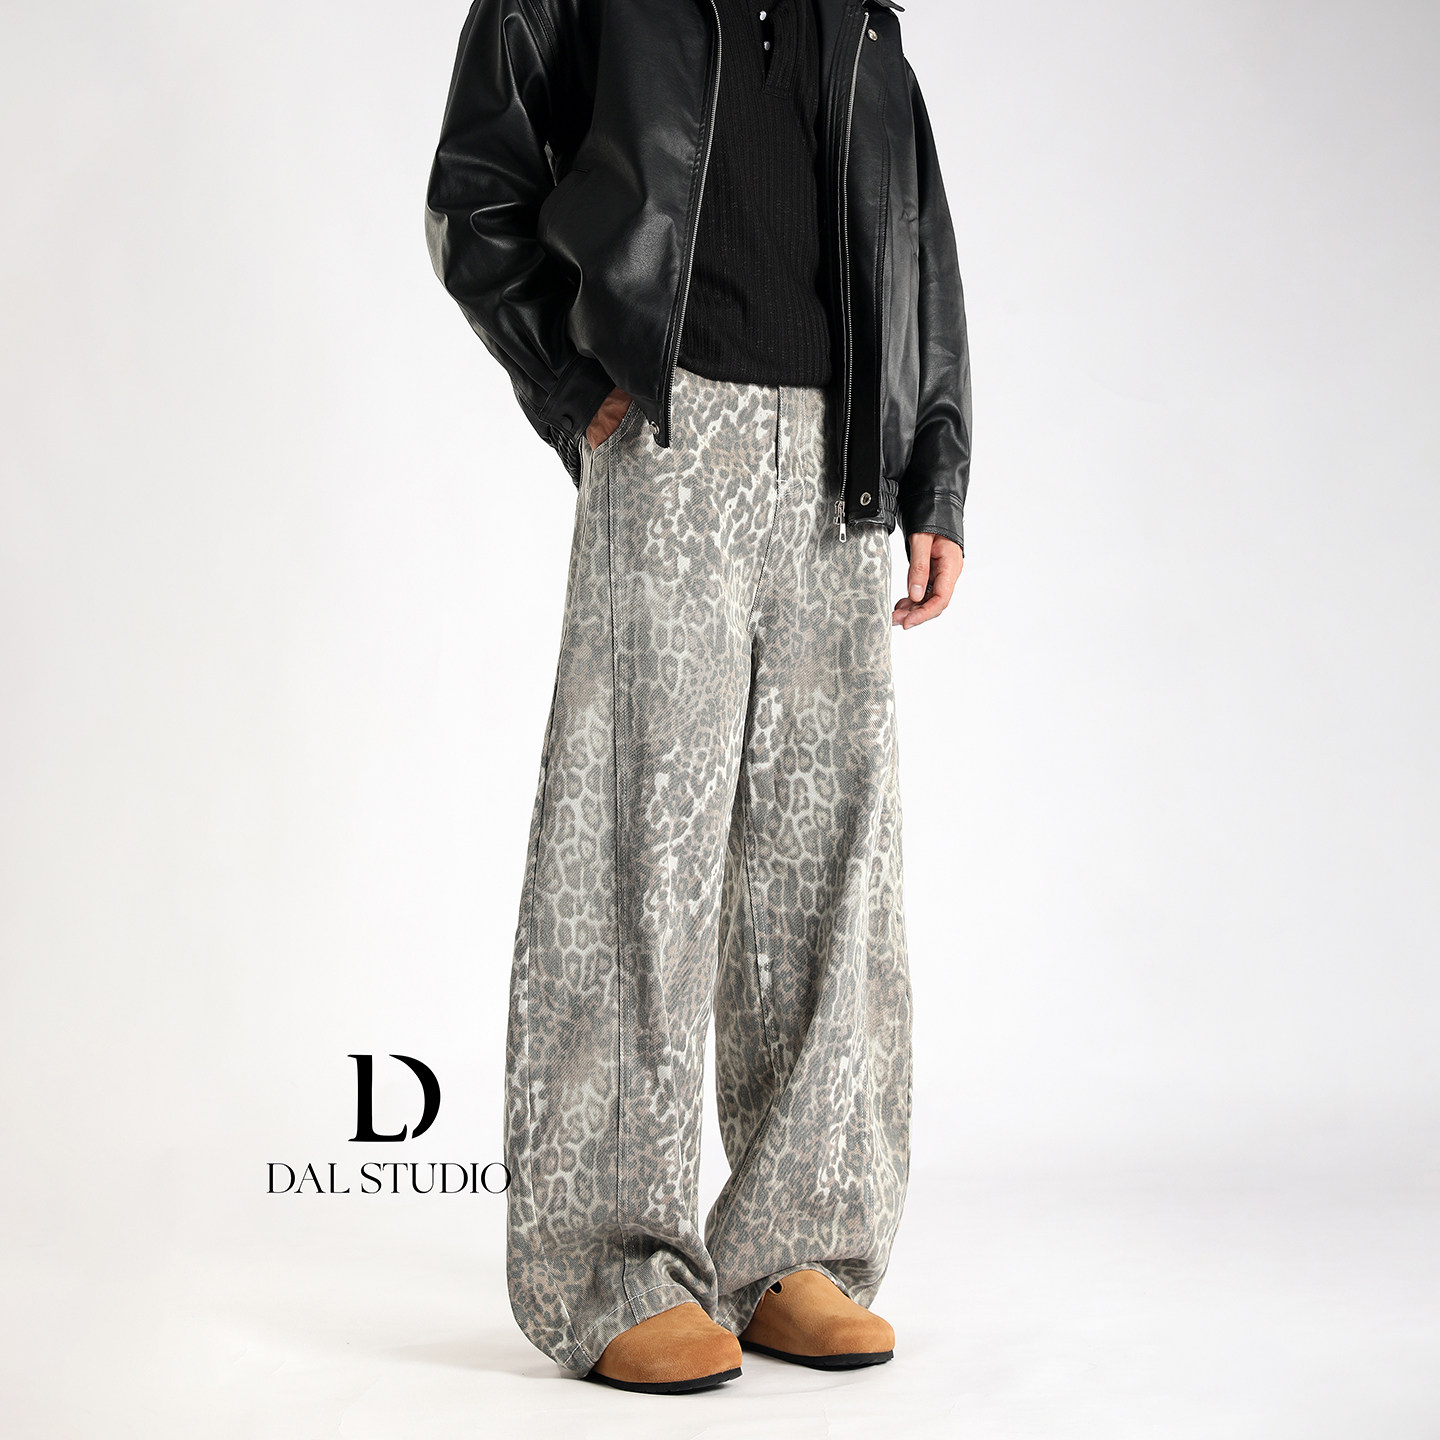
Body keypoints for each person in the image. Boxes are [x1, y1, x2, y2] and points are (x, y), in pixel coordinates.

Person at [425, 0, 971, 1395]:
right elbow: (476, 185)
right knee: (632, 856)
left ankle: (799, 1249)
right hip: (671, 433)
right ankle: (609, 1265)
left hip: (842, 462)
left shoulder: (862, 17)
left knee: (831, 870)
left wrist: (934, 471)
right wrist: (569, 382)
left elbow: (917, 242)